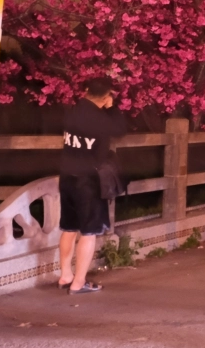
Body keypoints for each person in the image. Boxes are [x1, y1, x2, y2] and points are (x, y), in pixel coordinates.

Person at [58, 76, 128, 295]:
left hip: (66, 177)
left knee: (69, 228)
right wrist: (112, 108)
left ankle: (65, 276)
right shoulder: (100, 119)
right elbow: (120, 129)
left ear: (86, 90)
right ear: (106, 96)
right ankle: (79, 283)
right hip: (87, 180)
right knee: (88, 232)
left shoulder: (72, 111)